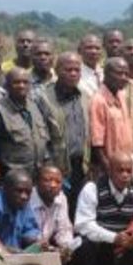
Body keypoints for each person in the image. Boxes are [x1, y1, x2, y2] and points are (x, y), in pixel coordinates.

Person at [36, 51, 92, 204]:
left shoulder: (84, 96)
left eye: (77, 70)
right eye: (68, 70)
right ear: (57, 70)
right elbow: (41, 137)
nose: (73, 74)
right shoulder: (43, 98)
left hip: (81, 167)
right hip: (56, 168)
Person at [0, 67, 51, 178]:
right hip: (13, 178)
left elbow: (44, 141)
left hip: (37, 175)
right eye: (16, 82)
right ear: (7, 86)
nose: (21, 86)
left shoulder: (34, 106)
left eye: (25, 82)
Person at [89, 56, 133, 168]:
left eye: (126, 74)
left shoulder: (121, 96)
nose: (124, 78)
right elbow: (96, 143)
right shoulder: (98, 101)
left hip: (125, 163)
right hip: (109, 167)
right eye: (119, 73)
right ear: (106, 73)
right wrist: (107, 167)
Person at [30, 163, 79, 261]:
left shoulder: (61, 198)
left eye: (58, 182)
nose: (53, 185)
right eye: (47, 180)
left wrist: (65, 248)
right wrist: (49, 249)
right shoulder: (28, 198)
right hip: (28, 247)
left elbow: (64, 229)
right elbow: (27, 233)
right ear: (37, 182)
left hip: (49, 247)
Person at [0, 168, 43, 251]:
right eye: (19, 191)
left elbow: (30, 231)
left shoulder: (24, 206)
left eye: (28, 192)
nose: (24, 196)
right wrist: (6, 250)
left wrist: (37, 241)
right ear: (5, 188)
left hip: (17, 256)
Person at [77, 33, 104, 100]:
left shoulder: (106, 74)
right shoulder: (75, 76)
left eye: (97, 48)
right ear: (79, 51)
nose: (94, 51)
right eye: (89, 48)